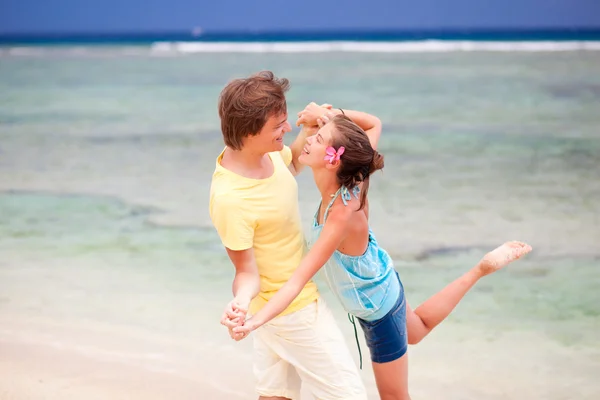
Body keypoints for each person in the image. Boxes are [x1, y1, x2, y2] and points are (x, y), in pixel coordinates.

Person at [230, 102, 533, 400]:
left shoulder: (341, 216)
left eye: (318, 138)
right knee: (417, 330)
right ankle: (481, 268)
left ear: (333, 159)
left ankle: (482, 268)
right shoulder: (354, 177)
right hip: (385, 281)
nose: (309, 139)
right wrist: (327, 116)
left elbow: (297, 281)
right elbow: (374, 123)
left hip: (380, 312)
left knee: (395, 396)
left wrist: (256, 321)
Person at [209, 71, 368, 400]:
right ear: (249, 131)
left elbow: (291, 163)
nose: (288, 128)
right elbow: (245, 272)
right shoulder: (231, 199)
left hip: (270, 314)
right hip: (292, 310)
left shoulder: (265, 155)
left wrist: (314, 129)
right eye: (278, 125)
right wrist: (240, 302)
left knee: (276, 396)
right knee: (350, 395)